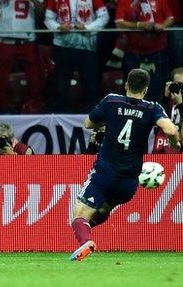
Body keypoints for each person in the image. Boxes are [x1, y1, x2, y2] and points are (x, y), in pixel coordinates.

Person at [70, 68, 179, 261]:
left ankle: (85, 240)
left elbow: (88, 123)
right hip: (128, 183)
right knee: (104, 208)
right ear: (145, 90)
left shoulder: (111, 101)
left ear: (126, 85)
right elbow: (170, 129)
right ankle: (87, 232)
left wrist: (108, 122)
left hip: (104, 173)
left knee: (78, 216)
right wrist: (173, 143)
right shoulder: (152, 108)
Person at [44, 0, 109, 113]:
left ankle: (91, 122)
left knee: (91, 87)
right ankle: (60, 119)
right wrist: (59, 27)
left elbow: (104, 16)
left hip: (86, 46)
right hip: (63, 46)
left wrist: (87, 28)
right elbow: (48, 19)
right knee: (61, 87)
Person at [114, 0, 174, 101]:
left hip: (158, 50)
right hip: (133, 52)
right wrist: (140, 25)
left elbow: (170, 18)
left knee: (160, 90)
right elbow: (119, 22)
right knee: (133, 90)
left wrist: (162, 25)